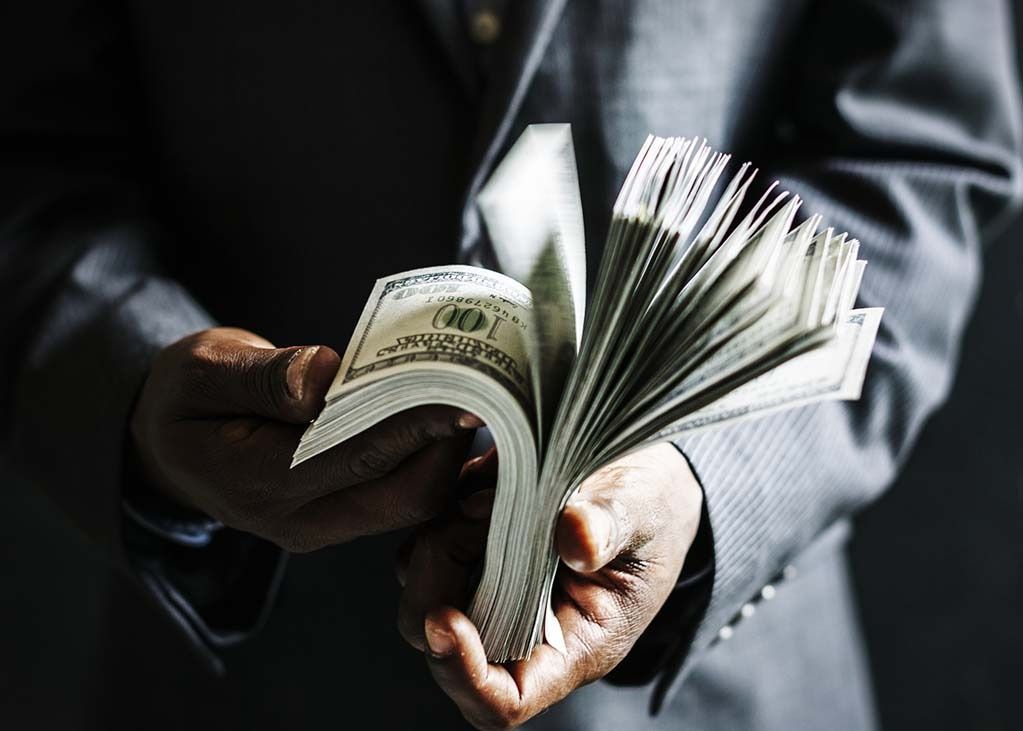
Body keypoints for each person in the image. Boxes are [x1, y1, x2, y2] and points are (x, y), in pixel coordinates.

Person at [1, 1, 1019, 729]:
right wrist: (135, 371)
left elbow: (920, 163)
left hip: (722, 688)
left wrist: (709, 474)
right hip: (258, 669)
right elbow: (31, 151)